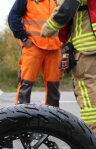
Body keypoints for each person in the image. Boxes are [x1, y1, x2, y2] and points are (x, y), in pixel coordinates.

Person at [41, 0, 96, 133]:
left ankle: (94, 135)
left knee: (88, 92)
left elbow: (67, 7)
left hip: (88, 48)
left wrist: (46, 29)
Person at [8, 0, 62, 107]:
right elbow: (13, 17)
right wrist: (24, 38)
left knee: (53, 86)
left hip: (55, 48)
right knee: (26, 83)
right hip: (33, 47)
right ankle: (20, 115)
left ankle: (53, 118)